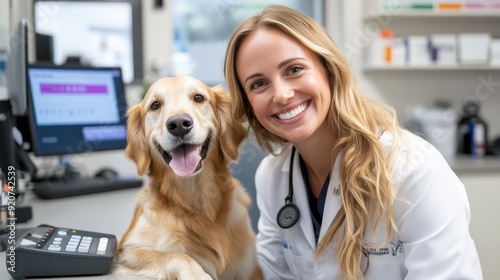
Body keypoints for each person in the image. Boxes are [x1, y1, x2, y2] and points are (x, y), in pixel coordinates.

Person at [224, 4, 482, 280]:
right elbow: (270, 274)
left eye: (294, 69)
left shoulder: (413, 170)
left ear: (329, 69)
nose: (282, 94)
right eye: (258, 84)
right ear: (248, 105)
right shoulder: (272, 177)